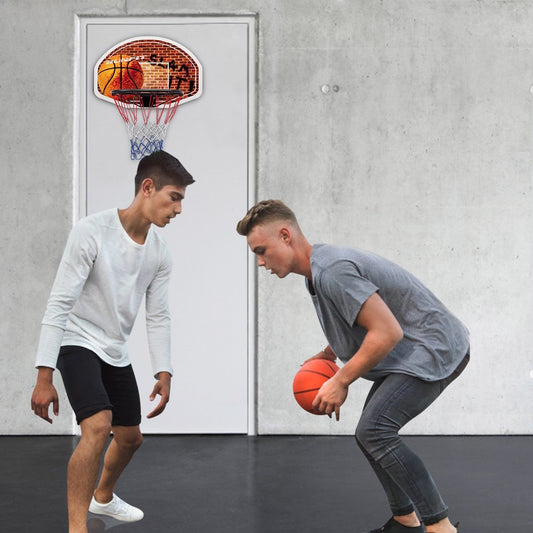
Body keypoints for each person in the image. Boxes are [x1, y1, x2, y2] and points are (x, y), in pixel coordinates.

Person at [236, 200, 469, 533]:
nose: (260, 262)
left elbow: (387, 331)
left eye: (261, 250)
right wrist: (329, 353)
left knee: (374, 431)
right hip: (412, 349)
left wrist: (341, 381)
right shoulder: (318, 271)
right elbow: (361, 316)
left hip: (433, 348)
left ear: (285, 235)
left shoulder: (332, 270)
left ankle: (440, 526)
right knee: (369, 435)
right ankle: (405, 519)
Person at [31, 150, 195, 533]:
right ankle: (77, 527)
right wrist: (43, 375)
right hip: (77, 339)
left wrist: (164, 369)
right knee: (97, 425)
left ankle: (101, 497)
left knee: (131, 438)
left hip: (114, 349)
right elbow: (59, 303)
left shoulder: (159, 253)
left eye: (182, 200)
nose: (179, 209)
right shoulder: (91, 231)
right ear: (147, 187)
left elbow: (158, 314)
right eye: (175, 197)